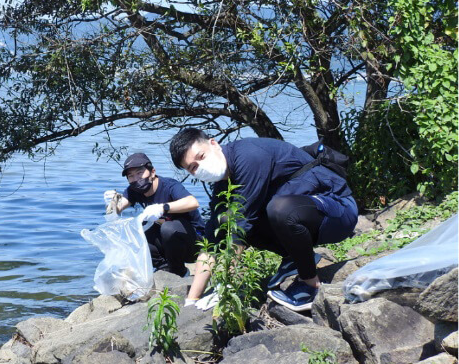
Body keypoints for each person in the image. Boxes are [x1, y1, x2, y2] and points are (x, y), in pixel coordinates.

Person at [169, 128, 358, 312]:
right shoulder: (223, 184)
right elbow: (212, 239)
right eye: (192, 168)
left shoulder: (249, 156)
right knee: (225, 219)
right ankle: (295, 258)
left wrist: (224, 287)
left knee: (277, 210)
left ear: (214, 144)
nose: (200, 167)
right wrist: (191, 301)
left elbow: (240, 227)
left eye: (201, 157)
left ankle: (310, 286)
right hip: (306, 217)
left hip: (338, 211)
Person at [104, 152, 205, 277]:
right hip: (168, 244)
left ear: (152, 172)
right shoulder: (134, 190)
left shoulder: (170, 186)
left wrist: (163, 208)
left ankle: (179, 271)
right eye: (131, 176)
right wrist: (111, 202)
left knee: (168, 228)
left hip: (195, 244)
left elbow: (193, 202)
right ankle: (163, 268)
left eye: (140, 173)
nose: (136, 179)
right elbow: (116, 209)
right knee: (137, 228)